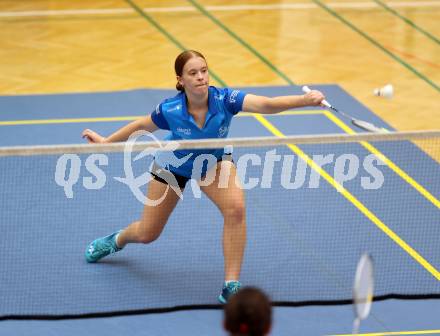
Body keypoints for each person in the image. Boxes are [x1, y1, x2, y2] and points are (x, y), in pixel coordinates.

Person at [82, 50, 324, 303]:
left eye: (204, 71)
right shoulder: (170, 109)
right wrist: (106, 141)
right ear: (181, 80)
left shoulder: (226, 99)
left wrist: (304, 100)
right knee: (147, 234)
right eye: (193, 73)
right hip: (174, 164)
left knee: (236, 209)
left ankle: (231, 284)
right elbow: (141, 126)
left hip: (213, 162)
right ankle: (117, 239)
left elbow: (265, 104)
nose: (201, 77)